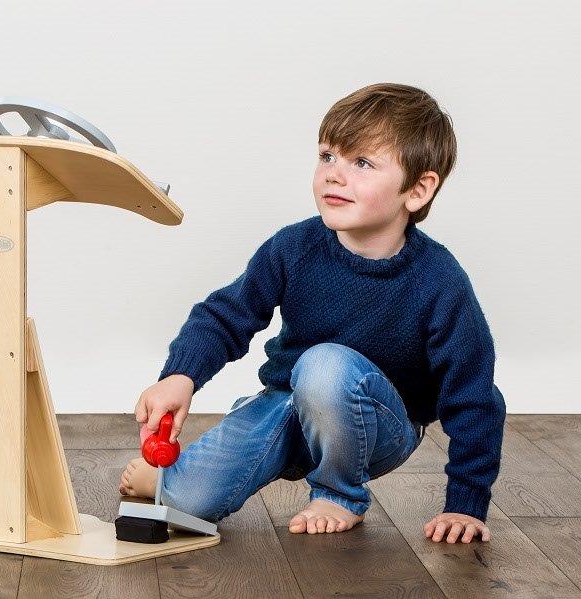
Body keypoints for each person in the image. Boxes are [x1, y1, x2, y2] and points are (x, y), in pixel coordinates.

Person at [119, 82, 505, 544]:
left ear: (418, 190)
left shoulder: (440, 281)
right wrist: (181, 375)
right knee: (187, 503)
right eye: (327, 156)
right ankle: (169, 479)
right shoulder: (293, 248)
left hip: (380, 427)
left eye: (361, 163)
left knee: (324, 364)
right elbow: (226, 314)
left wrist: (466, 503)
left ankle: (339, 494)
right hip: (287, 405)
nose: (334, 175)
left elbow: (475, 395)